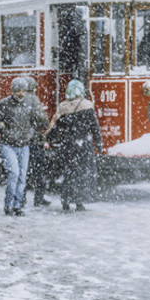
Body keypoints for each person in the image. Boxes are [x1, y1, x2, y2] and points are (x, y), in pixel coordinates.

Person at [46, 79, 103, 212]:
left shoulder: (64, 107)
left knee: (68, 174)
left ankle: (66, 201)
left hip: (68, 145)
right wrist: (99, 143)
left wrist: (49, 139)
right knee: (82, 174)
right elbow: (95, 127)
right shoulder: (87, 106)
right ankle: (79, 202)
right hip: (83, 145)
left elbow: (57, 127)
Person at [0, 77, 47, 216]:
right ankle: (9, 204)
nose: (21, 93)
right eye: (18, 90)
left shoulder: (29, 104)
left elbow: (38, 121)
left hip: (24, 144)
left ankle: (17, 206)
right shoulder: (5, 104)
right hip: (8, 144)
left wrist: (30, 132)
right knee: (14, 173)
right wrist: (3, 129)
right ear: (13, 91)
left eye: (23, 90)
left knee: (22, 177)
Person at [24, 76, 50, 207]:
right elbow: (41, 118)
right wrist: (45, 125)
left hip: (22, 141)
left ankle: (21, 197)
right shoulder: (33, 99)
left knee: (24, 171)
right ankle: (39, 198)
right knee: (39, 170)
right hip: (35, 140)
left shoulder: (19, 98)